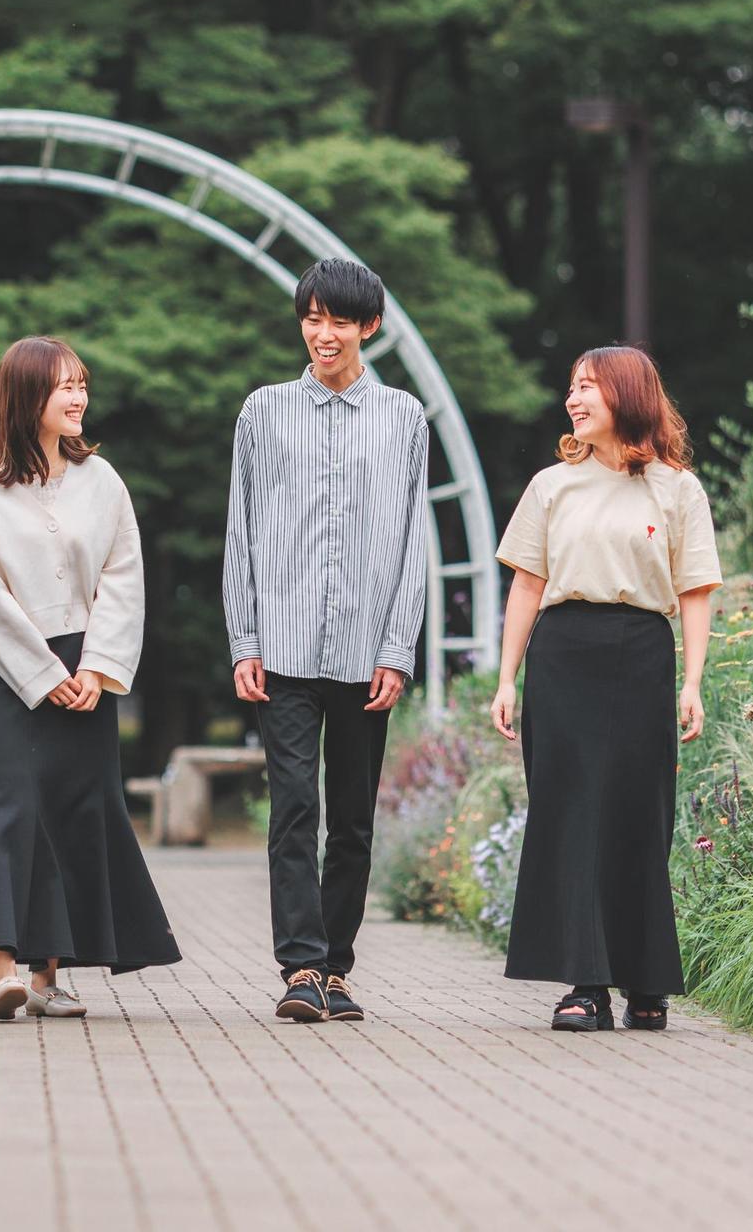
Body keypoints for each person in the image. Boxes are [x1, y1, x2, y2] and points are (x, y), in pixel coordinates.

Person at [0, 337, 179, 1020]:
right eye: (64, 386)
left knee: (73, 814)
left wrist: (97, 669)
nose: (79, 397)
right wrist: (42, 673)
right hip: (7, 671)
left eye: (82, 383)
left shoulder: (102, 481)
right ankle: (3, 971)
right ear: (27, 396)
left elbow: (123, 576)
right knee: (15, 810)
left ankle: (48, 978)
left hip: (86, 668)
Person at [223, 257, 429, 1024]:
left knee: (353, 820)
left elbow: (413, 545)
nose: (324, 334)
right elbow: (240, 532)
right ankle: (301, 968)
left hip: (367, 653)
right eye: (313, 319)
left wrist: (398, 648)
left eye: (340, 320)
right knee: (293, 811)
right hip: (280, 648)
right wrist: (244, 639)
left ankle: (337, 969)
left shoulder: (404, 418)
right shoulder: (263, 411)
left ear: (368, 326)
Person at [491, 345, 720, 1032]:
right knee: (570, 816)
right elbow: (526, 585)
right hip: (562, 657)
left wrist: (693, 682)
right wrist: (506, 679)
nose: (574, 398)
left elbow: (696, 591)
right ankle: (586, 986)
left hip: (642, 655)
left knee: (639, 815)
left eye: (588, 385)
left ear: (627, 394)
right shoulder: (550, 486)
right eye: (572, 387)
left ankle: (646, 982)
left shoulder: (677, 490)